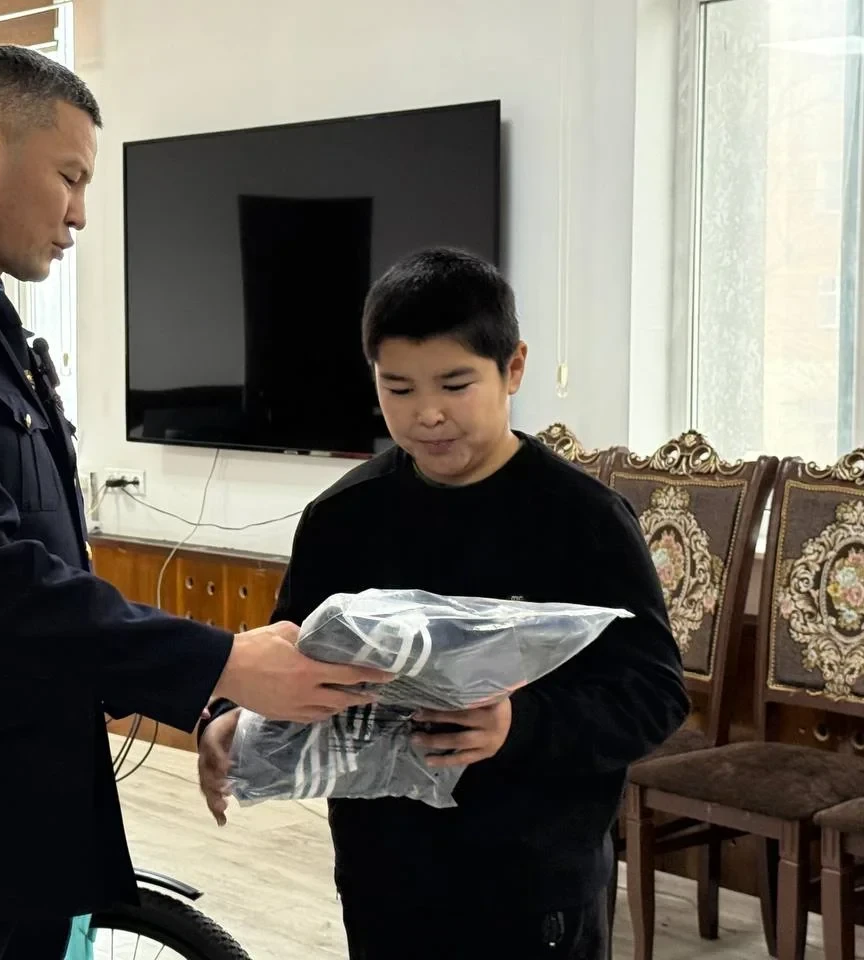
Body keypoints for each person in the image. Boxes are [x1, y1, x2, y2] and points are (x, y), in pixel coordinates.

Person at [0, 45, 391, 960]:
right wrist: (224, 661)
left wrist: (204, 702)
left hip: (11, 835)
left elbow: (53, 575)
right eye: (69, 176)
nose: (81, 214)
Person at [197, 248, 690, 959]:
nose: (427, 414)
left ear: (513, 368)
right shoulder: (344, 517)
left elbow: (653, 694)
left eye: (455, 384)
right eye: (397, 388)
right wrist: (231, 716)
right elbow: (287, 651)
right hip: (385, 873)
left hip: (533, 882)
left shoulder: (582, 519)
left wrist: (517, 724)